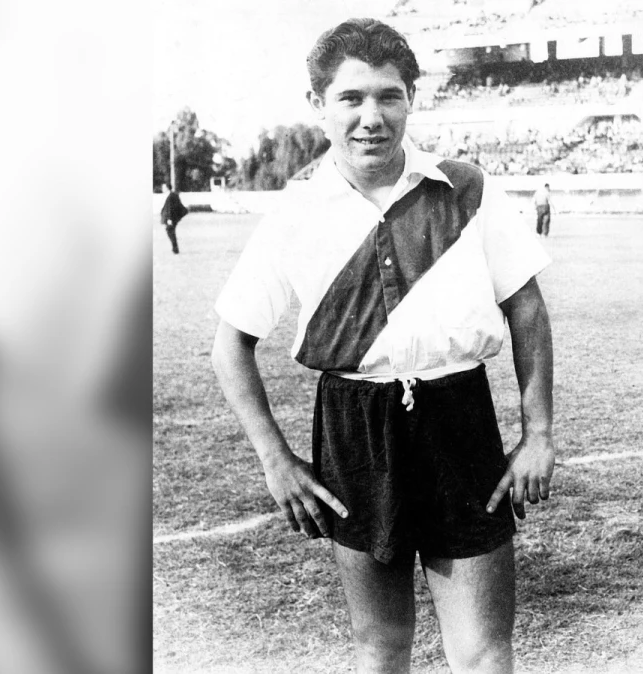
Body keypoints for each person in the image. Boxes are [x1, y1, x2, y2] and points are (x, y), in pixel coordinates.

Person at [211, 18, 555, 674]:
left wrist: (538, 432)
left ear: (411, 99)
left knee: (484, 650)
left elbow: (527, 308)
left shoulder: (466, 189)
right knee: (381, 647)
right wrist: (274, 459)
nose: (372, 116)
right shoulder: (295, 216)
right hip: (354, 429)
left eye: (388, 96)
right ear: (318, 107)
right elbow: (230, 345)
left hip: (460, 417)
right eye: (350, 98)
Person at [160, 184, 188, 254]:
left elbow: (170, 208)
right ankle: (175, 248)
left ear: (167, 188)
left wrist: (169, 219)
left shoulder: (170, 196)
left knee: (170, 232)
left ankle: (175, 249)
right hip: (173, 218)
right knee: (171, 232)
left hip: (171, 219)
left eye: (163, 187)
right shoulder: (173, 195)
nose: (162, 188)